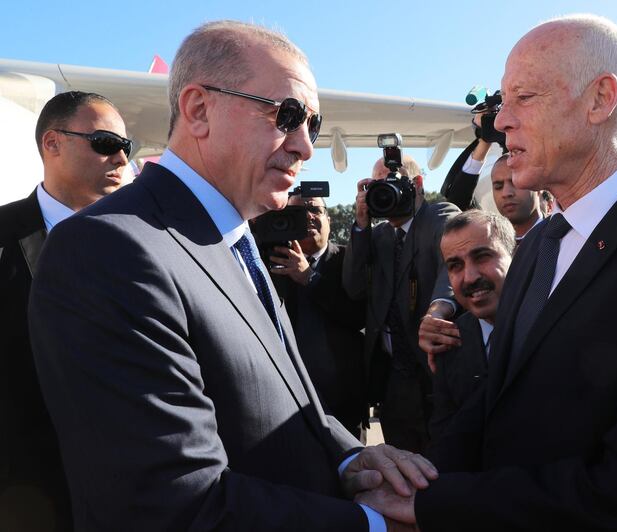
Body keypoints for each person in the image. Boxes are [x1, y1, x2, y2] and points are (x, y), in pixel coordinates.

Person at [28, 21, 435, 531]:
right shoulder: (107, 249)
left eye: (312, 122)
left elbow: (280, 404)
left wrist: (352, 459)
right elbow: (172, 504)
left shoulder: (230, 239)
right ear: (199, 109)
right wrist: (371, 525)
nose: (305, 146)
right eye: (287, 116)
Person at [356, 14, 617, 531]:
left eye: (524, 97)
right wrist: (415, 480)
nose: (501, 122)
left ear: (599, 100)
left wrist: (442, 505)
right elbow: (496, 399)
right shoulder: (540, 240)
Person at [0, 90, 129, 532]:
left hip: (132, 491)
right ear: (52, 144)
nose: (121, 159)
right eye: (105, 143)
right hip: (25, 495)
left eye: (125, 147)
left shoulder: (148, 242)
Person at [343, 155, 460, 453]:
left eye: (393, 184)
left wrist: (438, 311)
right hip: (394, 381)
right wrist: (360, 225)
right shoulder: (378, 235)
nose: (386, 194)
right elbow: (354, 288)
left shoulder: (440, 218)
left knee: (445, 462)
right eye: (378, 187)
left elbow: (451, 271)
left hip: (435, 371)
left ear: (418, 185)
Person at [265, 195, 369, 440]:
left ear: (329, 220)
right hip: (286, 401)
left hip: (344, 405)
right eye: (297, 212)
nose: (308, 216)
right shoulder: (270, 264)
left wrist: (310, 278)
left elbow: (360, 317)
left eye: (315, 209)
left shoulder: (350, 261)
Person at [428, 210, 514, 441]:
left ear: (516, 256)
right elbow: (445, 440)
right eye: (455, 265)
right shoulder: (448, 343)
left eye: (482, 256)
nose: (470, 277)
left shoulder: (551, 327)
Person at [490, 154, 543, 244]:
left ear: (538, 186)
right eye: (498, 186)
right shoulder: (489, 244)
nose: (506, 193)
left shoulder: (561, 237)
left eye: (516, 183)